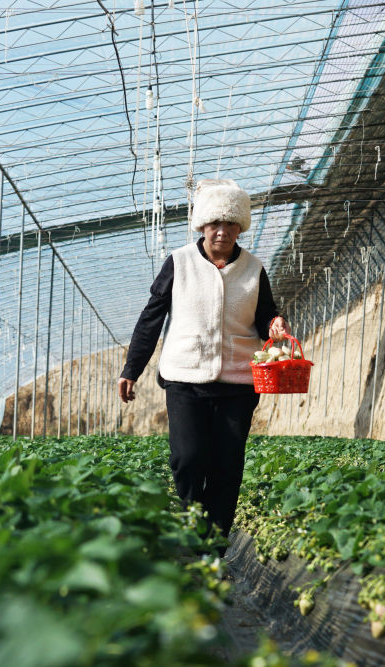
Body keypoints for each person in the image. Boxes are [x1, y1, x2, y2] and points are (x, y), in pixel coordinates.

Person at [118, 178, 289, 545]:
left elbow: (265, 314)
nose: (222, 232)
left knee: (227, 467)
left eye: (230, 224)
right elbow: (152, 317)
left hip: (238, 383)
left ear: (239, 227)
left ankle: (214, 545)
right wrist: (132, 369)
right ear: (202, 226)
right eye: (215, 224)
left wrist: (273, 323)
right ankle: (194, 526)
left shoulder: (254, 269)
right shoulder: (179, 263)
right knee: (189, 459)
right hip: (185, 377)